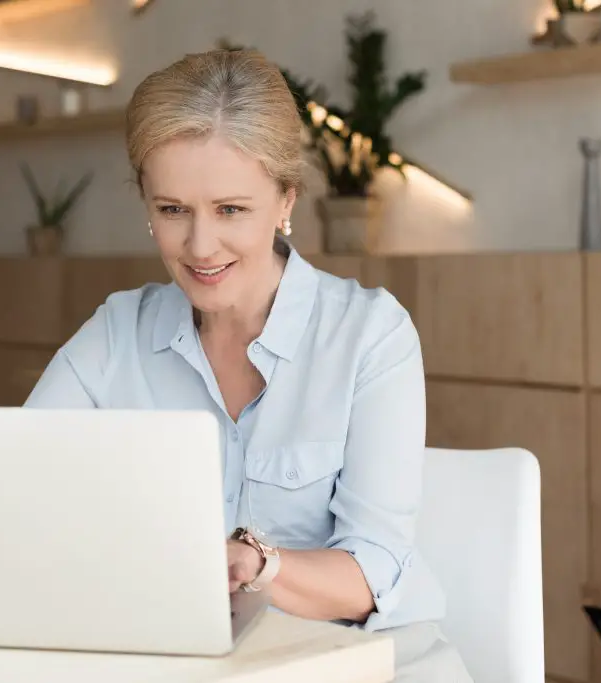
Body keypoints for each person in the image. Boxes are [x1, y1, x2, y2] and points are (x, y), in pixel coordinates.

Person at [23, 48, 473, 682]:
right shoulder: (116, 334)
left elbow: (372, 572)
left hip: (363, 666)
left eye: (230, 209)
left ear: (286, 199)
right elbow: (14, 487)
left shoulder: (370, 334)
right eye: (172, 210)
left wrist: (259, 565)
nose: (200, 246)